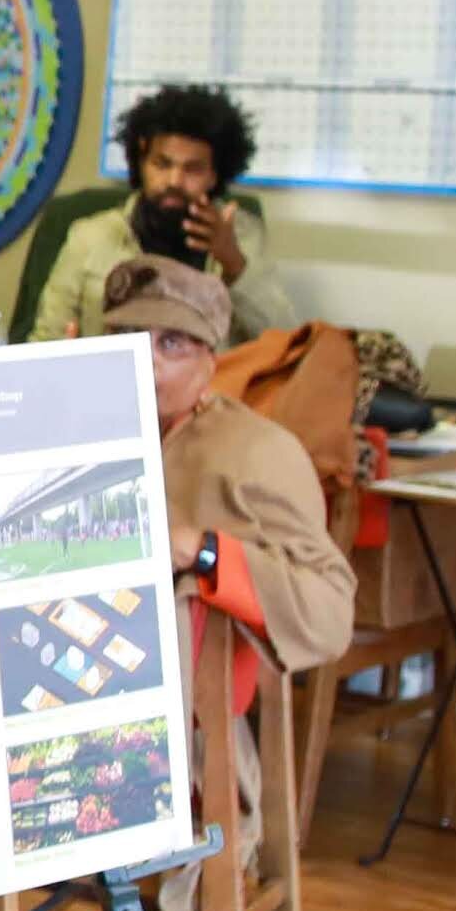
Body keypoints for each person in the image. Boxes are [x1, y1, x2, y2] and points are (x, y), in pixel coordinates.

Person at [98, 257, 352, 675]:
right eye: (128, 337)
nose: (146, 359)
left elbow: (330, 612)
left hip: (188, 707)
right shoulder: (89, 432)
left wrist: (205, 550)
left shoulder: (257, 452)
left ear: (210, 362)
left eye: (171, 344)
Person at [30, 82, 300, 338]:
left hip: (210, 384)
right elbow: (45, 341)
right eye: (162, 164)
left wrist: (234, 263)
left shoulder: (241, 234)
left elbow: (283, 342)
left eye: (192, 169)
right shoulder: (90, 237)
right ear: (141, 164)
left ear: (214, 176)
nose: (174, 181)